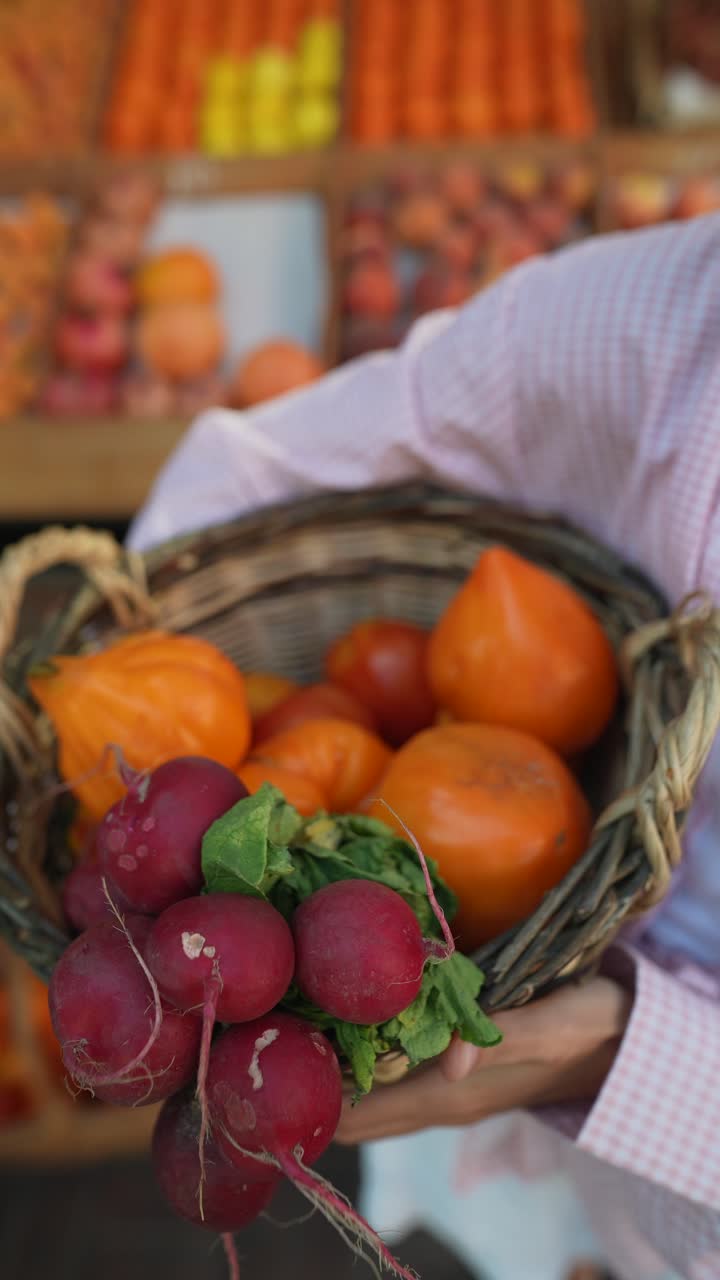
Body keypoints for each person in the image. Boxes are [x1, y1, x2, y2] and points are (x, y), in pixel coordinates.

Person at [128, 212, 720, 1280]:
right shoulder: (649, 313)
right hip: (545, 1130)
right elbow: (257, 462)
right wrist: (120, 697)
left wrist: (618, 1056)